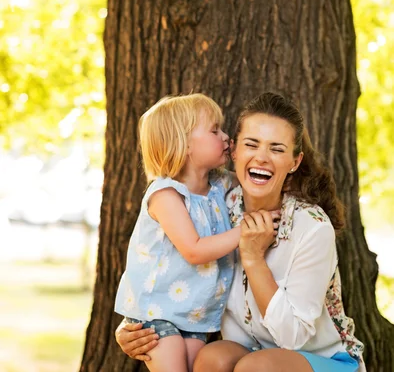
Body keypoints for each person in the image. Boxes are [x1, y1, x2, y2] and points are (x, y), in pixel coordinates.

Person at [116, 92, 366, 372]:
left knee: (255, 367)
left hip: (320, 359)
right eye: (252, 144)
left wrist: (253, 258)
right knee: (212, 359)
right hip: (251, 351)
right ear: (234, 151)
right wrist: (137, 322)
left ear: (294, 162)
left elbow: (292, 339)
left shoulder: (310, 226)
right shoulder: (218, 204)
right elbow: (175, 266)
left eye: (277, 149)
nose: (262, 158)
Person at [115, 93, 255, 372]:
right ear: (184, 144)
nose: (227, 136)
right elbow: (194, 249)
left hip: (193, 315)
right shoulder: (166, 194)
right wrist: (246, 232)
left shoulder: (219, 187)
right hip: (156, 312)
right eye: (215, 130)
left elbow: (249, 175)